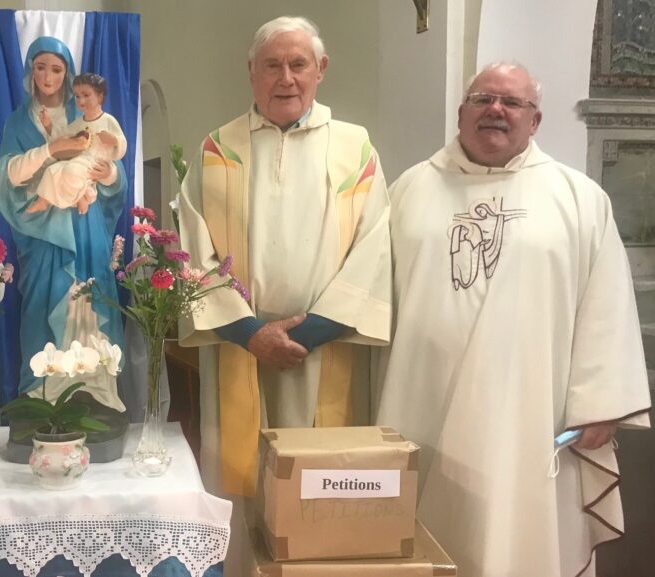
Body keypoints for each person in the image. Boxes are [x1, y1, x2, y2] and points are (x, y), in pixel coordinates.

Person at [377, 62, 652, 577]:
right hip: (421, 405)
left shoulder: (579, 199)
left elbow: (607, 304)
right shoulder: (408, 190)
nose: (496, 111)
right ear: (461, 114)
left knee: (521, 539)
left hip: (532, 413)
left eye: (512, 103)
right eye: (483, 100)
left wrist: (601, 403)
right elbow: (373, 295)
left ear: (535, 120)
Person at [177, 15, 391, 570]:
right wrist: (252, 334)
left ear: (321, 70)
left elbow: (374, 249)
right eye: (272, 65)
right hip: (240, 350)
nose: (286, 77)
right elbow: (189, 250)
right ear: (251, 73)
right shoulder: (217, 148)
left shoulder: (355, 147)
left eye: (298, 64)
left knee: (325, 488)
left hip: (324, 350)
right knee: (240, 487)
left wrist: (305, 335)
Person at [0, 37, 127, 411]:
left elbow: (115, 166)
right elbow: (6, 174)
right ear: (29, 71)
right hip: (43, 236)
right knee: (44, 301)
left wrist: (110, 174)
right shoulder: (20, 122)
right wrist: (50, 151)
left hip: (86, 229)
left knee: (89, 298)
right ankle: (43, 392)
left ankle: (95, 388)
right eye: (41, 67)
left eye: (57, 68)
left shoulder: (85, 112)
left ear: (67, 74)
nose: (48, 76)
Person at [29, 73, 128, 215]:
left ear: (100, 96)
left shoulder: (108, 120)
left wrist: (113, 140)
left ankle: (83, 196)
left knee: (72, 171)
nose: (81, 100)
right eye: (77, 96)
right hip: (78, 160)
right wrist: (48, 126)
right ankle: (43, 201)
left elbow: (122, 142)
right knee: (53, 170)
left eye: (86, 95)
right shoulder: (79, 123)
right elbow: (63, 137)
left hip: (95, 162)